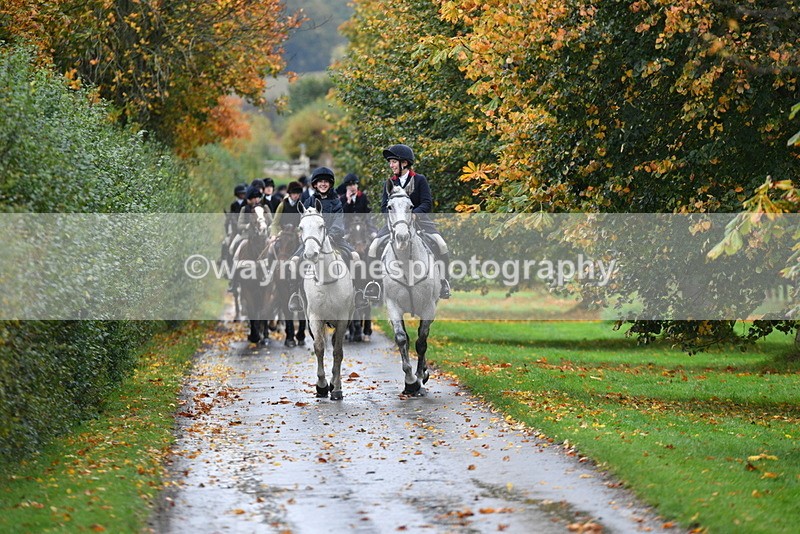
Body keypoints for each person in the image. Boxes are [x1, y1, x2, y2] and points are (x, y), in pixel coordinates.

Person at [364, 144, 451, 300]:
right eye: (390, 162)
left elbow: (426, 203)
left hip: (420, 222)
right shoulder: (389, 183)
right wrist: (394, 218)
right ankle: (373, 283)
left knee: (441, 244)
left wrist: (414, 215)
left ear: (404, 162)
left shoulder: (419, 180)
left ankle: (444, 282)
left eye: (393, 162)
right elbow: (384, 207)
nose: (390, 165)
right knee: (373, 247)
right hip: (396, 223)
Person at [287, 167, 359, 313]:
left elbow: (339, 223)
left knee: (356, 257)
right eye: (320, 182)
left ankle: (358, 293)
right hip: (311, 241)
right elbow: (303, 224)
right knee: (294, 262)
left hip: (334, 240)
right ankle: (296, 295)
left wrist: (331, 235)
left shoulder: (336, 202)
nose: (323, 184)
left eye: (326, 182)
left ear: (330, 184)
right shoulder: (308, 201)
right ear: (315, 184)